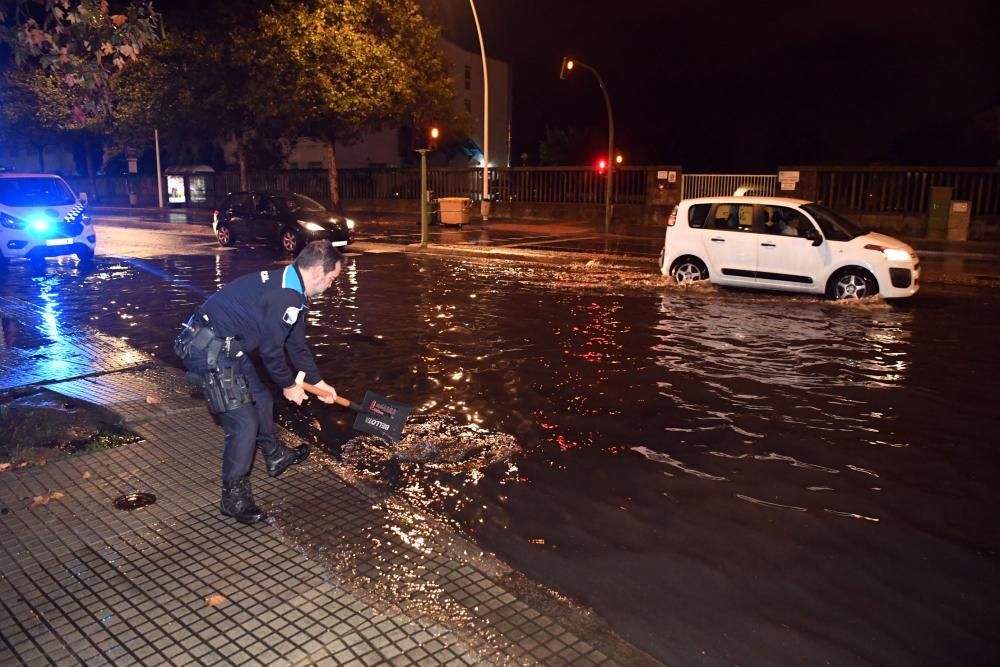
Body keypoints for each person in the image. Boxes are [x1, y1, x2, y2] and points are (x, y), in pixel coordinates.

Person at [174, 241, 343, 524]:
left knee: (262, 398)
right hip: (208, 349)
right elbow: (271, 351)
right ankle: (233, 498)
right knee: (244, 422)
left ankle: (275, 456)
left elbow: (296, 345)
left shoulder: (293, 290)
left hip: (230, 346)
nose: (330, 285)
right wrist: (289, 385)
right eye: (331, 277)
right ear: (316, 271)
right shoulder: (286, 296)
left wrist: (318, 382)